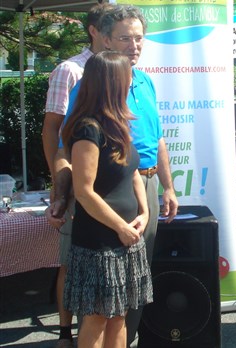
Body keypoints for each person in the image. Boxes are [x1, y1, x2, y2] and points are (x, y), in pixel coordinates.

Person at [48, 5, 178, 346]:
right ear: (104, 40)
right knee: (100, 307)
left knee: (127, 297)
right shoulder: (89, 91)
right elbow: (67, 150)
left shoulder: (145, 81)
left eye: (139, 38)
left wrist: (167, 187)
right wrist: (61, 193)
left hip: (142, 189)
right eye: (125, 38)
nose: (135, 45)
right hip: (103, 209)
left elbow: (157, 140)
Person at [61, 50, 153, 348]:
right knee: (98, 317)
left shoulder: (119, 123)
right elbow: (85, 191)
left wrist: (145, 211)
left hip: (127, 237)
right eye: (127, 78)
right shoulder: (89, 129)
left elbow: (133, 172)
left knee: (119, 315)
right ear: (112, 83)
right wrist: (121, 228)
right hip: (100, 242)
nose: (131, 83)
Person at [41, 5, 111, 347]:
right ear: (94, 30)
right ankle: (66, 332)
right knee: (70, 260)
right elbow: (52, 132)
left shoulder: (123, 69)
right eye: (111, 28)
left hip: (112, 184)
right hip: (77, 180)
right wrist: (60, 189)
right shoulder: (69, 71)